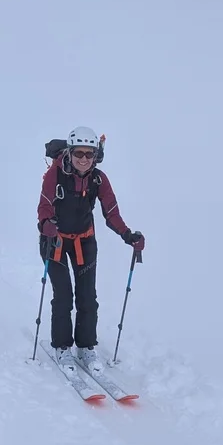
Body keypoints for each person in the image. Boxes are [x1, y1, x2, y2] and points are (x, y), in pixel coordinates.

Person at [36, 126, 144, 374]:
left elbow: (111, 212)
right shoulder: (55, 174)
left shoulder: (99, 179)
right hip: (55, 241)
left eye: (89, 154)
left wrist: (128, 235)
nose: (84, 159)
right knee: (63, 295)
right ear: (70, 153)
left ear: (96, 156)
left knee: (87, 297)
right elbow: (44, 205)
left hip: (85, 242)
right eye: (79, 153)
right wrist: (46, 224)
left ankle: (85, 347)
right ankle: (62, 347)